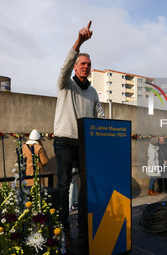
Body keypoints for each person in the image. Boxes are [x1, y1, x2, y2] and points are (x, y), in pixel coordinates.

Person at [53, 21, 105, 245]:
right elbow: (63, 67)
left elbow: (100, 117)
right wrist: (79, 42)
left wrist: (112, 133)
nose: (85, 66)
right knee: (64, 187)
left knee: (85, 188)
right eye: (82, 63)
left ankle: (84, 226)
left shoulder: (92, 92)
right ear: (75, 66)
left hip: (85, 144)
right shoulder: (65, 84)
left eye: (88, 64)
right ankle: (64, 228)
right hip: (65, 141)